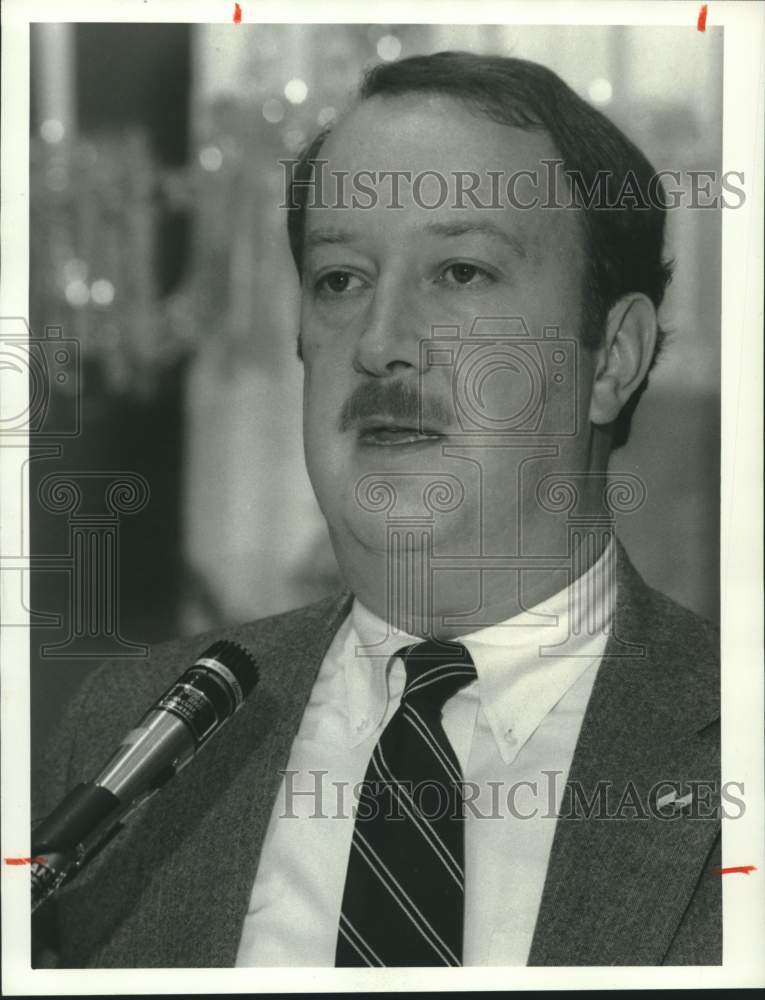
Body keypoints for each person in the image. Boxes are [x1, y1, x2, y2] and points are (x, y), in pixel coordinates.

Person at [33, 51, 720, 969]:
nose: (382, 343)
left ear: (611, 358)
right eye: (341, 279)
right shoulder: (130, 728)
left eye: (463, 272)